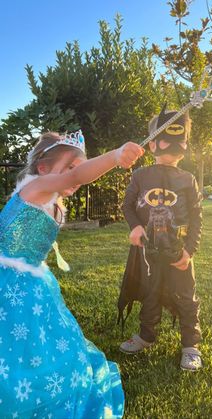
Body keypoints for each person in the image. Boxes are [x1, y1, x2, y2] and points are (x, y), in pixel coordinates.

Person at [0, 130, 144, 419]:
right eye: (71, 165)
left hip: (33, 283)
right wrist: (115, 156)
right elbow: (73, 179)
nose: (76, 175)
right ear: (43, 168)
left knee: (39, 338)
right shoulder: (35, 187)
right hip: (8, 280)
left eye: (80, 165)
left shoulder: (54, 203)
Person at [118, 106, 203, 371]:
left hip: (179, 250)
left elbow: (197, 217)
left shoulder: (188, 180)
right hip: (149, 250)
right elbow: (128, 206)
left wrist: (190, 250)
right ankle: (146, 335)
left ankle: (190, 345)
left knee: (186, 296)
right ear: (152, 144)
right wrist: (134, 227)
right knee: (150, 291)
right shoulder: (140, 175)